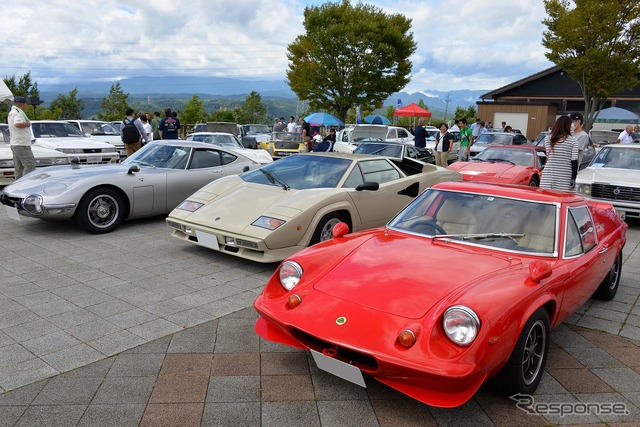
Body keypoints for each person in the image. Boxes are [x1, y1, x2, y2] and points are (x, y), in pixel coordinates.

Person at [540, 115, 578, 191]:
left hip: (548, 175)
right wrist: (573, 178)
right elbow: (574, 161)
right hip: (564, 176)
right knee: (560, 199)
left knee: (545, 198)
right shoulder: (573, 141)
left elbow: (549, 155)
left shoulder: (547, 139)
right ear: (568, 126)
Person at [7, 96, 36, 179]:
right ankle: (25, 184)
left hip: (15, 143)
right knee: (30, 165)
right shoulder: (18, 112)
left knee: (19, 168)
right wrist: (27, 124)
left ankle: (17, 185)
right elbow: (17, 124)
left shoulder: (11, 112)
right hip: (21, 144)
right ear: (23, 104)